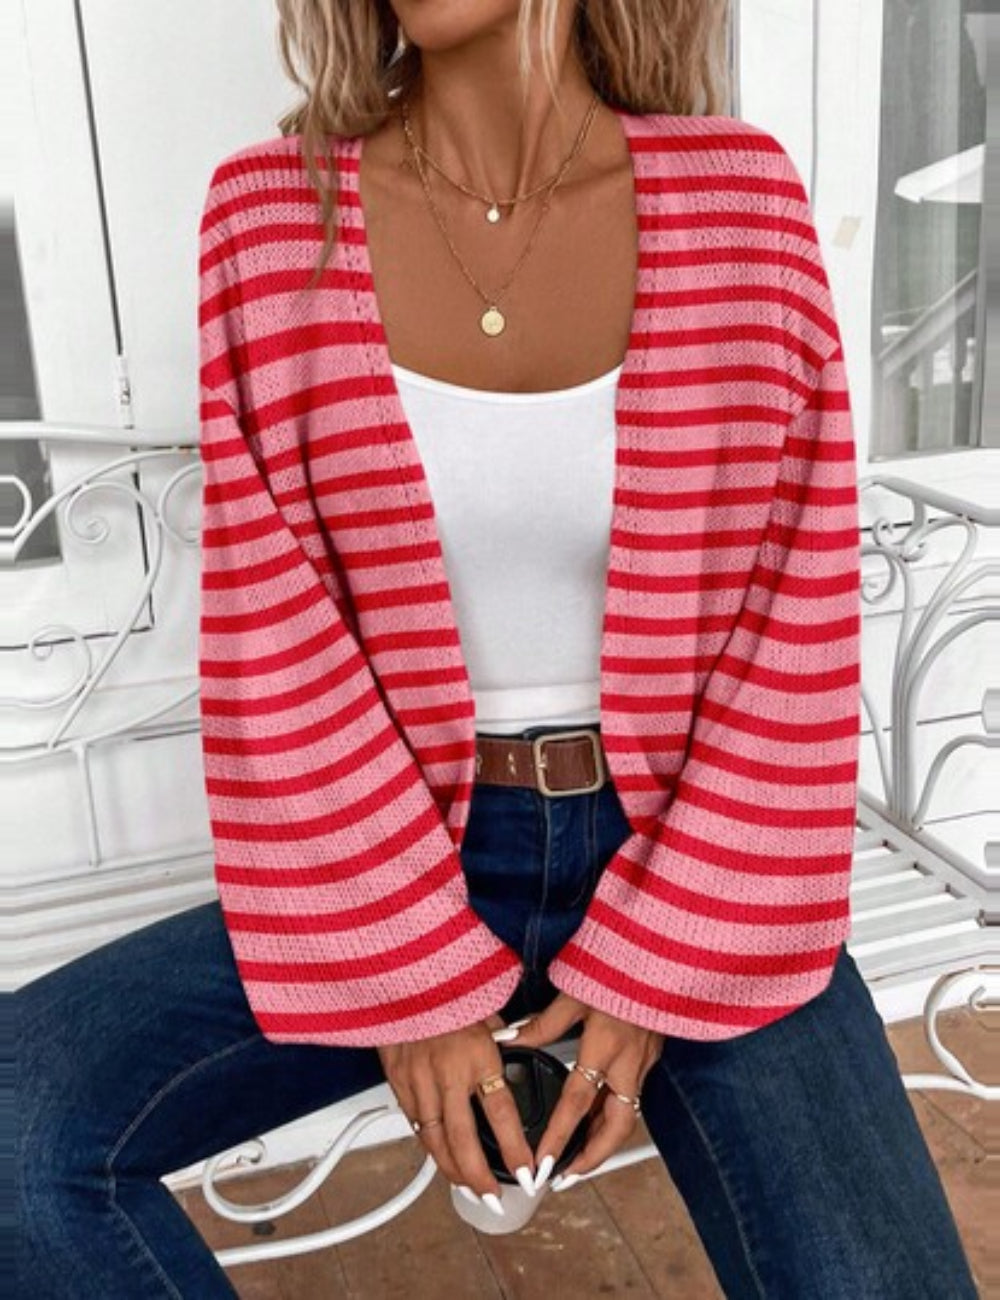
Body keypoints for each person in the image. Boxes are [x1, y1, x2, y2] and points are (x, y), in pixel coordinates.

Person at [16, 2, 979, 1296]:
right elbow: (279, 636)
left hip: (688, 854)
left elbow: (790, 618)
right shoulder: (273, 217)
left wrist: (660, 960)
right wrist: (409, 974)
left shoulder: (741, 202)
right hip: (393, 856)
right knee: (19, 1127)